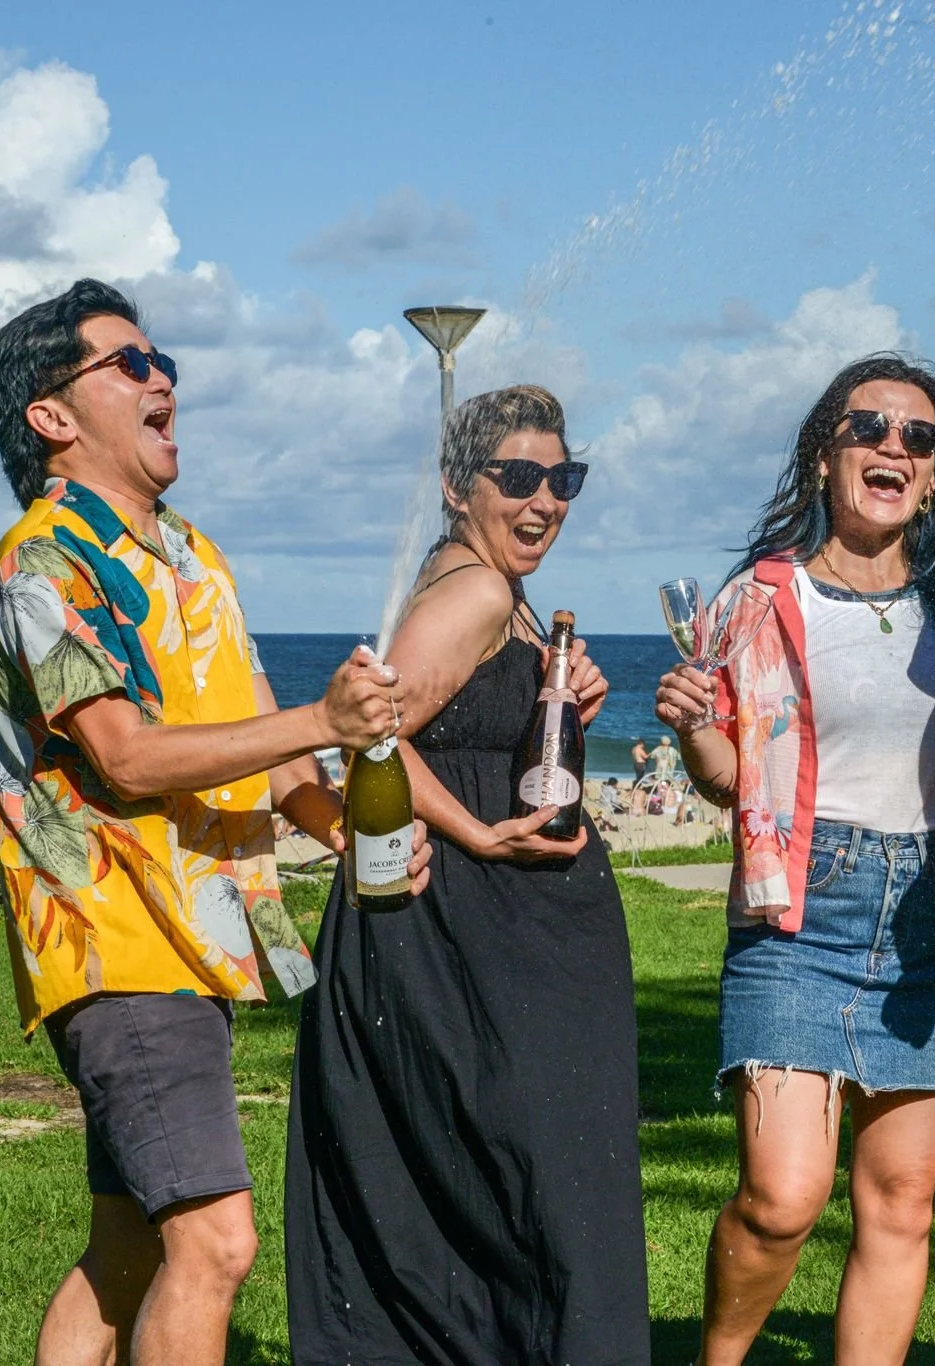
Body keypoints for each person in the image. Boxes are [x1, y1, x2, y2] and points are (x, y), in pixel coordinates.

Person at [0, 278, 430, 1366]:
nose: (162, 375)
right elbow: (127, 754)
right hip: (117, 940)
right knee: (216, 1244)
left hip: (199, 942)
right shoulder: (44, 561)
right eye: (128, 363)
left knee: (128, 1245)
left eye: (161, 358)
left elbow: (258, 748)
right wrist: (318, 716)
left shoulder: (193, 556)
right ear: (52, 415)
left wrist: (342, 825)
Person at [285, 385, 649, 1363]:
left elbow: (463, 736)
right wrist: (478, 837)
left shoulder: (492, 583)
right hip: (470, 930)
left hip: (491, 935)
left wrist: (558, 706)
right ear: (456, 487)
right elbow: (378, 741)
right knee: (541, 1192)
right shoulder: (479, 589)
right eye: (518, 478)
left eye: (561, 478)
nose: (544, 500)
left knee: (494, 1191)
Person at [653, 354, 935, 1365]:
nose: (892, 446)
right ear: (823, 453)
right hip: (800, 911)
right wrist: (686, 729)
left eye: (918, 438)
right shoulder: (758, 597)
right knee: (781, 1196)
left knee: (899, 1204)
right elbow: (728, 776)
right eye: (868, 427)